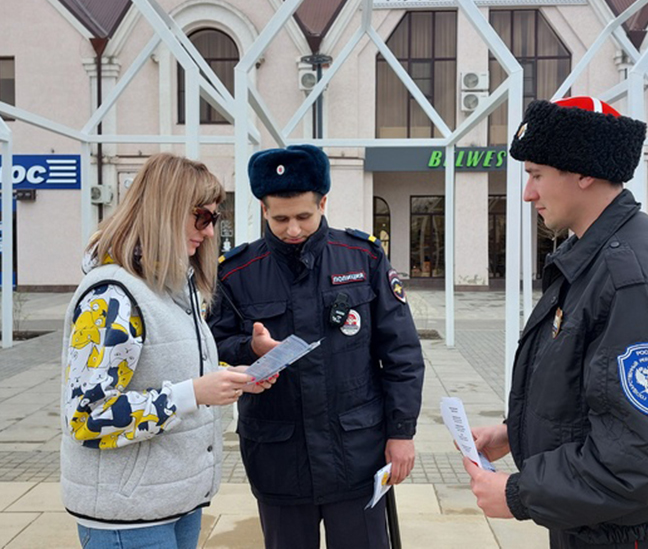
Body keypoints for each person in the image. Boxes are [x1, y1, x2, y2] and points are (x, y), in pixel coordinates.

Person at [461, 97, 648, 549]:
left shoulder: (634, 278)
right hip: (597, 523)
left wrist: (522, 493)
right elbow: (592, 391)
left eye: (537, 175)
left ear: (584, 173)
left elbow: (644, 453)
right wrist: (515, 432)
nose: (528, 194)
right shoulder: (595, 257)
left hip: (630, 535)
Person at [207, 144, 425, 549]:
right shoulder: (236, 273)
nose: (293, 230)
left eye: (304, 217)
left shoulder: (363, 258)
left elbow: (402, 354)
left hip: (357, 455)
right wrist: (249, 349)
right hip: (278, 459)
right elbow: (210, 344)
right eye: (280, 218)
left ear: (323, 202)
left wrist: (401, 432)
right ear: (263, 209)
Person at [60, 153, 274, 549]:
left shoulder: (172, 288)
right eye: (202, 218)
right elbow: (87, 417)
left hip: (171, 501)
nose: (210, 233)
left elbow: (169, 366)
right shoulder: (112, 297)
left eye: (214, 219)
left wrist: (232, 376)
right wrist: (193, 393)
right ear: (167, 210)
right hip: (127, 516)